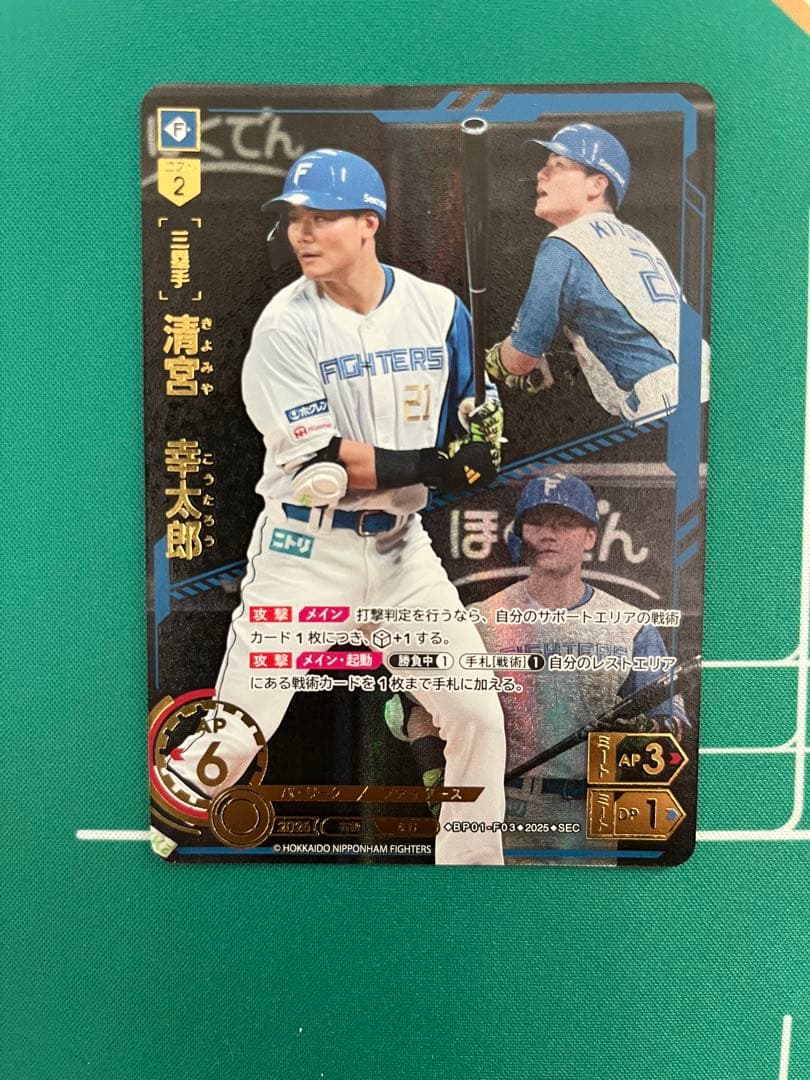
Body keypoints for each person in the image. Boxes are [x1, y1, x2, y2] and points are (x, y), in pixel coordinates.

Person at [166, 148, 507, 865]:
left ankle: (474, 879)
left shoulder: (439, 311)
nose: (303, 232)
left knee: (477, 713)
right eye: (295, 217)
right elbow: (328, 460)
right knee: (238, 733)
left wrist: (483, 431)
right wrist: (442, 463)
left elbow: (467, 411)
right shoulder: (285, 326)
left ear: (368, 223)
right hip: (305, 554)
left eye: (321, 216)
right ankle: (151, 839)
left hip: (402, 554)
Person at [392, 473, 687, 860]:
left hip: (589, 815)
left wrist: (643, 734)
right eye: (537, 523)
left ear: (590, 536)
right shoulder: (477, 620)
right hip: (497, 810)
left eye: (565, 523)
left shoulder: (631, 625)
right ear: (520, 534)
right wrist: (437, 779)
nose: (549, 534)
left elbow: (672, 723)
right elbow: (414, 705)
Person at [486, 122, 708, 422]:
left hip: (665, 400)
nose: (541, 173)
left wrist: (494, 360)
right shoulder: (636, 239)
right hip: (707, 383)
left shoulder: (564, 244)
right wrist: (557, 359)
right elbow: (623, 325)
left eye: (558, 165)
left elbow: (518, 360)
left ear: (597, 185)